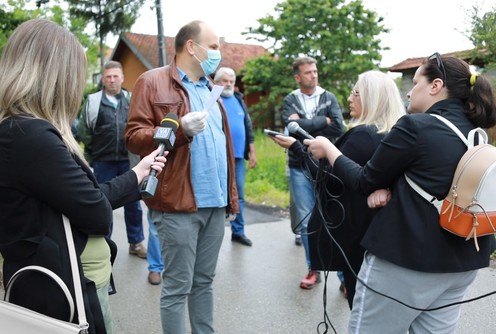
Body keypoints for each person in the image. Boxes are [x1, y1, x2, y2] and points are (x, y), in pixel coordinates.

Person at [305, 53, 496, 333]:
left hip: (406, 261)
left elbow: (364, 180)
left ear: (435, 86)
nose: (409, 90)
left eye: (416, 81)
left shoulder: (415, 126)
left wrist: (329, 149)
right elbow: (435, 177)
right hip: (463, 263)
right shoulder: (477, 134)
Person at [0, 19, 166, 334]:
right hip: (61, 293)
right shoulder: (31, 135)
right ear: (56, 77)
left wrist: (136, 174)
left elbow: (80, 198)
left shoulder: (18, 129)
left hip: (59, 283)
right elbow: (96, 213)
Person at [125, 20, 239, 334]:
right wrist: (178, 129)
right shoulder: (152, 81)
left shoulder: (212, 89)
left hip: (214, 204)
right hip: (177, 203)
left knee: (204, 282)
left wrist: (230, 198)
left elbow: (223, 147)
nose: (219, 53)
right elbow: (134, 136)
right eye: (214, 46)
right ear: (192, 46)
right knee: (177, 286)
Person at [272, 70, 406, 308]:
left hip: (357, 233)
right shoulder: (391, 133)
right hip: (380, 232)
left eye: (356, 93)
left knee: (362, 310)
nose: (349, 98)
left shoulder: (363, 135)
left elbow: (328, 179)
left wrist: (296, 148)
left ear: (371, 97)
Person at [282, 55, 345, 289]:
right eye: (308, 72)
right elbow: (289, 128)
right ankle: (313, 269)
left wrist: (303, 123)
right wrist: (323, 121)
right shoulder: (290, 99)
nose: (314, 75)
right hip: (299, 166)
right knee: (307, 221)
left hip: (327, 165)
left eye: (315, 71)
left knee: (333, 218)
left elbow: (338, 126)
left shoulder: (329, 96)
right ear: (298, 77)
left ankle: (342, 276)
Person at [78, 60, 148, 259]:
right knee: (103, 203)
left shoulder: (133, 99)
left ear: (122, 78)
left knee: (134, 205)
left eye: (116, 76)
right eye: (108, 76)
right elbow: (84, 131)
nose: (112, 80)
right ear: (103, 79)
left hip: (129, 161)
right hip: (103, 162)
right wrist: (94, 153)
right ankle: (103, 245)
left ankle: (135, 242)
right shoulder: (92, 101)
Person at [213, 67, 257, 246]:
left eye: (231, 81)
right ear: (217, 82)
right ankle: (214, 235)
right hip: (218, 157)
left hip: (238, 157)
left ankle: (238, 232)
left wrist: (252, 152)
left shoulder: (239, 99)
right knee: (217, 195)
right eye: (225, 81)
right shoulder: (213, 99)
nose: (229, 84)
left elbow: (248, 127)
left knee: (238, 195)